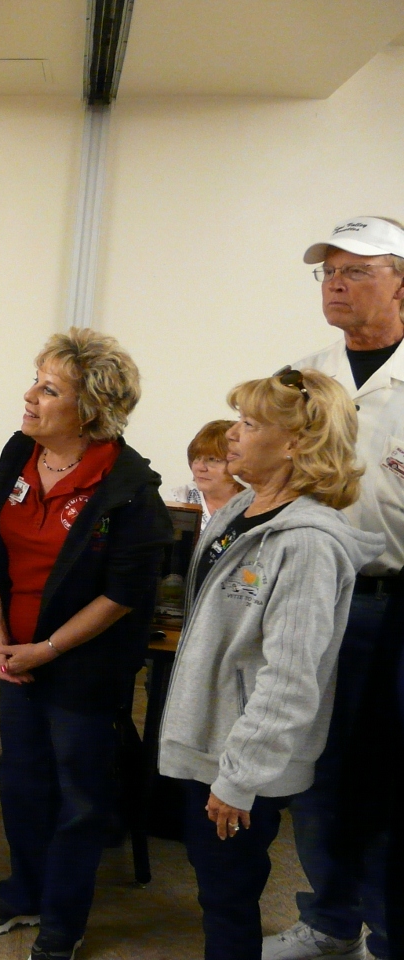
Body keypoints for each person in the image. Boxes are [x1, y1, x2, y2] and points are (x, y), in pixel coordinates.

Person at [160, 369, 382, 960]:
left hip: (240, 759)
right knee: (215, 884)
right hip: (209, 739)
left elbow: (290, 680)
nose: (232, 435)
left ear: (295, 443)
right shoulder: (239, 508)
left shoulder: (305, 543)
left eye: (250, 424)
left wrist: (240, 778)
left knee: (229, 896)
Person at [0, 328, 172, 960]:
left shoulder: (130, 488)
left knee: (79, 795)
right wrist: (0, 633)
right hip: (16, 651)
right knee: (21, 779)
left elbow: (123, 594)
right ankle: (25, 890)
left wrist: (47, 649)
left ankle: (64, 917)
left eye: (49, 389)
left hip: (83, 662)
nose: (30, 396)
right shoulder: (20, 451)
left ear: (90, 409)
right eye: (35, 380)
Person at [264, 217, 404, 960]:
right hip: (316, 595)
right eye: (329, 272)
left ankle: (390, 932)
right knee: (314, 763)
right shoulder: (300, 379)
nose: (337, 285)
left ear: (401, 282)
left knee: (389, 776)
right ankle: (329, 921)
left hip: (394, 600)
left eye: (357, 271)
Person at [168, 419, 246, 532]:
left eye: (212, 459)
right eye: (197, 458)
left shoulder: (256, 503)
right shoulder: (179, 498)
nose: (200, 467)